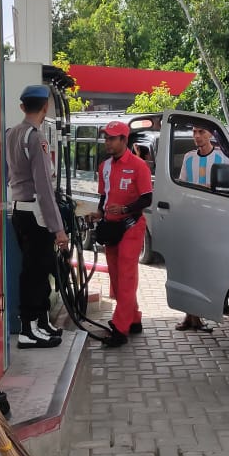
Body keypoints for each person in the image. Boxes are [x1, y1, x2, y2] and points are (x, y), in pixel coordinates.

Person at [5, 84, 70, 349]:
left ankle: (41, 323)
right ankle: (29, 330)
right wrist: (58, 229)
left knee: (37, 270)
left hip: (20, 209)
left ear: (23, 107)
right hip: (36, 213)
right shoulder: (35, 136)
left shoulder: (12, 133)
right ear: (45, 108)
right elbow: (44, 187)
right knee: (35, 272)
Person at [88, 121, 153, 347]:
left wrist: (125, 209)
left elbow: (147, 198)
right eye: (106, 138)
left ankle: (120, 329)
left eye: (112, 138)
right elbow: (104, 196)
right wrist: (98, 212)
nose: (107, 142)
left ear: (124, 140)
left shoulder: (139, 166)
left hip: (132, 226)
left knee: (126, 277)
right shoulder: (104, 166)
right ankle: (134, 319)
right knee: (116, 277)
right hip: (111, 226)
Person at [174, 125, 229, 333]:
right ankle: (190, 316)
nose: (197, 136)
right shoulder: (189, 158)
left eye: (201, 132)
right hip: (192, 221)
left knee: (205, 270)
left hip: (213, 222)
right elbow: (181, 186)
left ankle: (200, 314)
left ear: (210, 134)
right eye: (194, 132)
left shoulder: (223, 158)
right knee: (190, 270)